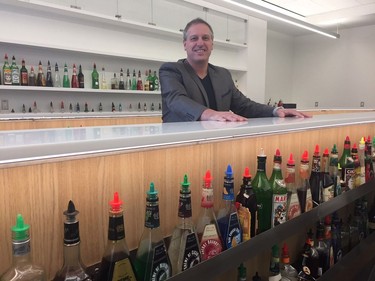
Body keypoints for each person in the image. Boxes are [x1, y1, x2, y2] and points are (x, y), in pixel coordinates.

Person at [159, 18, 310, 123]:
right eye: (194, 38)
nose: (200, 43)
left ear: (212, 44)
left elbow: (244, 106)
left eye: (205, 38)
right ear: (185, 44)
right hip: (179, 148)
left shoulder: (223, 75)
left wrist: (275, 111)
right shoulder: (170, 71)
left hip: (219, 145)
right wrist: (211, 114)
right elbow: (177, 100)